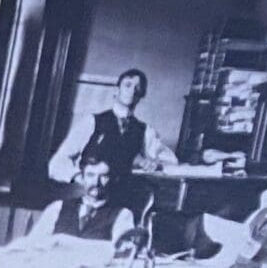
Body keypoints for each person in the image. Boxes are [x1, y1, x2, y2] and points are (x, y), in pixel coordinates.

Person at [46, 65, 174, 215]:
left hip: (120, 206)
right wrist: (80, 178)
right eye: (128, 85)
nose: (132, 90)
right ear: (117, 90)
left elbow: (171, 161)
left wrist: (150, 163)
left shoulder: (145, 131)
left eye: (138, 88)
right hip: (86, 200)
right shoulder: (92, 122)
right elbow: (57, 162)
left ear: (142, 95)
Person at [30, 148, 137, 245]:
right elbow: (34, 244)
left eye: (104, 176)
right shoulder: (58, 208)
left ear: (113, 179)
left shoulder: (122, 215)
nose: (96, 182)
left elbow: (121, 255)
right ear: (82, 177)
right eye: (90, 175)